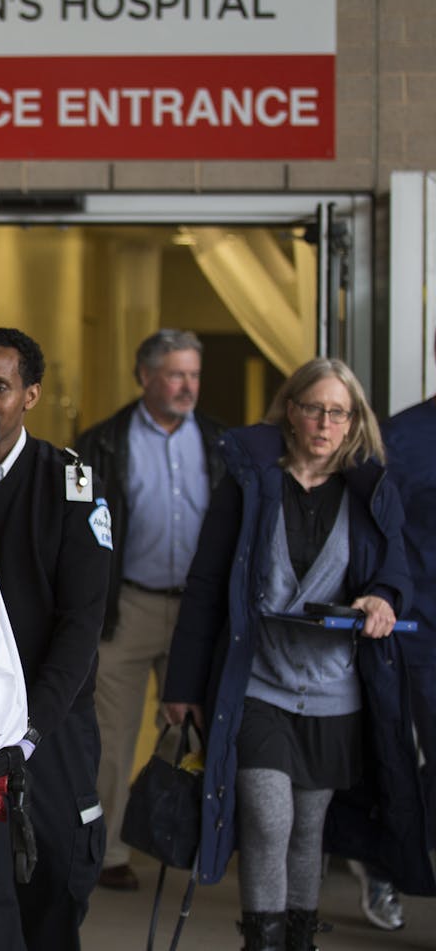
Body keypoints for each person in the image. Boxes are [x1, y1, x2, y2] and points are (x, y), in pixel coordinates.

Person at [161, 357, 428, 951]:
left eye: (340, 412)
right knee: (269, 817)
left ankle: (299, 938)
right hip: (259, 682)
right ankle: (262, 940)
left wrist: (383, 599)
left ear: (353, 420)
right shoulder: (251, 482)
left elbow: (394, 571)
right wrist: (181, 685)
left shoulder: (368, 490)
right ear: (291, 411)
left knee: (309, 829)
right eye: (315, 409)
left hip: (334, 688)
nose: (327, 424)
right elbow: (207, 583)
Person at [0, 329, 110, 950]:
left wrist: (31, 726)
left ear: (30, 395)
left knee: (58, 876)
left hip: (51, 720)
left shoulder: (70, 486)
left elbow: (81, 624)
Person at [74, 329, 223, 891]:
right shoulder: (101, 443)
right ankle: (109, 852)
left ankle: (201, 840)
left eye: (194, 374)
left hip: (200, 613)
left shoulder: (219, 442)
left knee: (202, 733)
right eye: (176, 374)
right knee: (111, 735)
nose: (188, 386)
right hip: (128, 606)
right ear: (145, 376)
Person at [362, 332, 436, 932]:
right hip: (423, 635)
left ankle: (384, 851)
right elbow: (379, 539)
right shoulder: (400, 442)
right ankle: (385, 854)